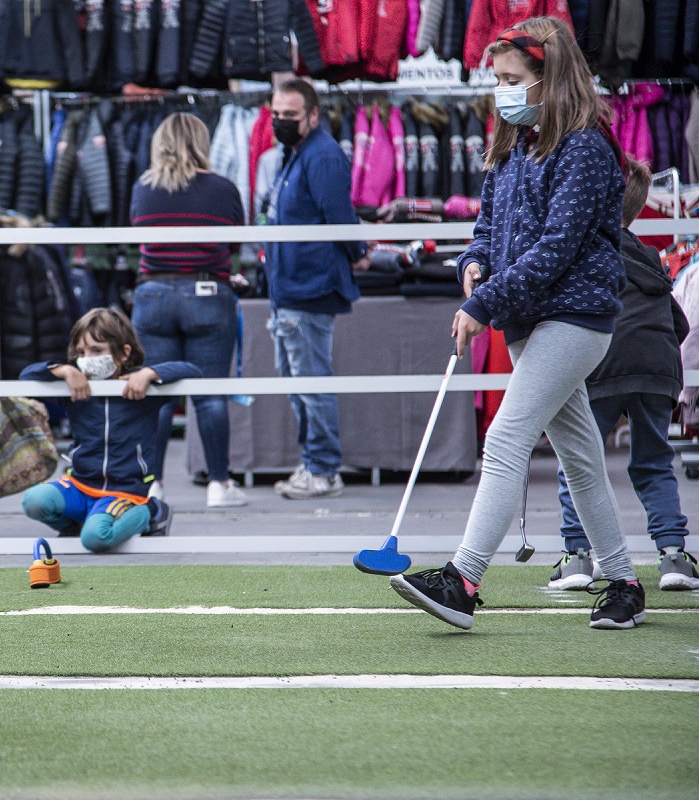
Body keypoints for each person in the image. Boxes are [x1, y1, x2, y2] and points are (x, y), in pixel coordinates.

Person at [389, 17, 643, 630]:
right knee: (581, 456)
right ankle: (626, 583)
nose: (501, 90)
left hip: (575, 315)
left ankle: (464, 578)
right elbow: (485, 230)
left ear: (547, 80)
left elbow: (558, 247)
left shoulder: (583, 145)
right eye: (497, 78)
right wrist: (474, 265)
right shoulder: (512, 143)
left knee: (504, 441)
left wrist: (482, 302)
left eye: (511, 79)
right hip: (532, 316)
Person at [549, 159, 697, 592]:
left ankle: (577, 556)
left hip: (601, 366)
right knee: (653, 462)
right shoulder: (650, 257)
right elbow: (680, 323)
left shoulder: (584, 252)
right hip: (658, 368)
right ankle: (674, 557)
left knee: (577, 459)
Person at [129, 112, 248, 509]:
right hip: (208, 292)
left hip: (153, 294)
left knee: (157, 394)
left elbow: (138, 239)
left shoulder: (143, 188)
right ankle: (219, 485)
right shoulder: (223, 188)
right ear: (201, 142)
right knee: (210, 395)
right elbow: (233, 247)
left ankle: (151, 485)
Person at [265, 78, 370, 500]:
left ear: (312, 115)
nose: (281, 121)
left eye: (290, 115)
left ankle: (323, 469)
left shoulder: (322, 154)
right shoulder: (296, 154)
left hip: (308, 286)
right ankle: (315, 463)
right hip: (291, 286)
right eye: (276, 114)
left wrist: (357, 250)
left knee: (310, 381)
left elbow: (338, 214)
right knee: (298, 382)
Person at [20, 309, 201, 553]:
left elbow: (192, 371)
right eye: (81, 352)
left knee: (96, 538)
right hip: (80, 485)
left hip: (124, 491)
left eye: (97, 351)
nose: (87, 358)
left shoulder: (142, 389)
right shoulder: (74, 385)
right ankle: (75, 524)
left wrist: (150, 373)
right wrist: (64, 370)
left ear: (124, 353)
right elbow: (26, 375)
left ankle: (153, 511)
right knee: (34, 501)